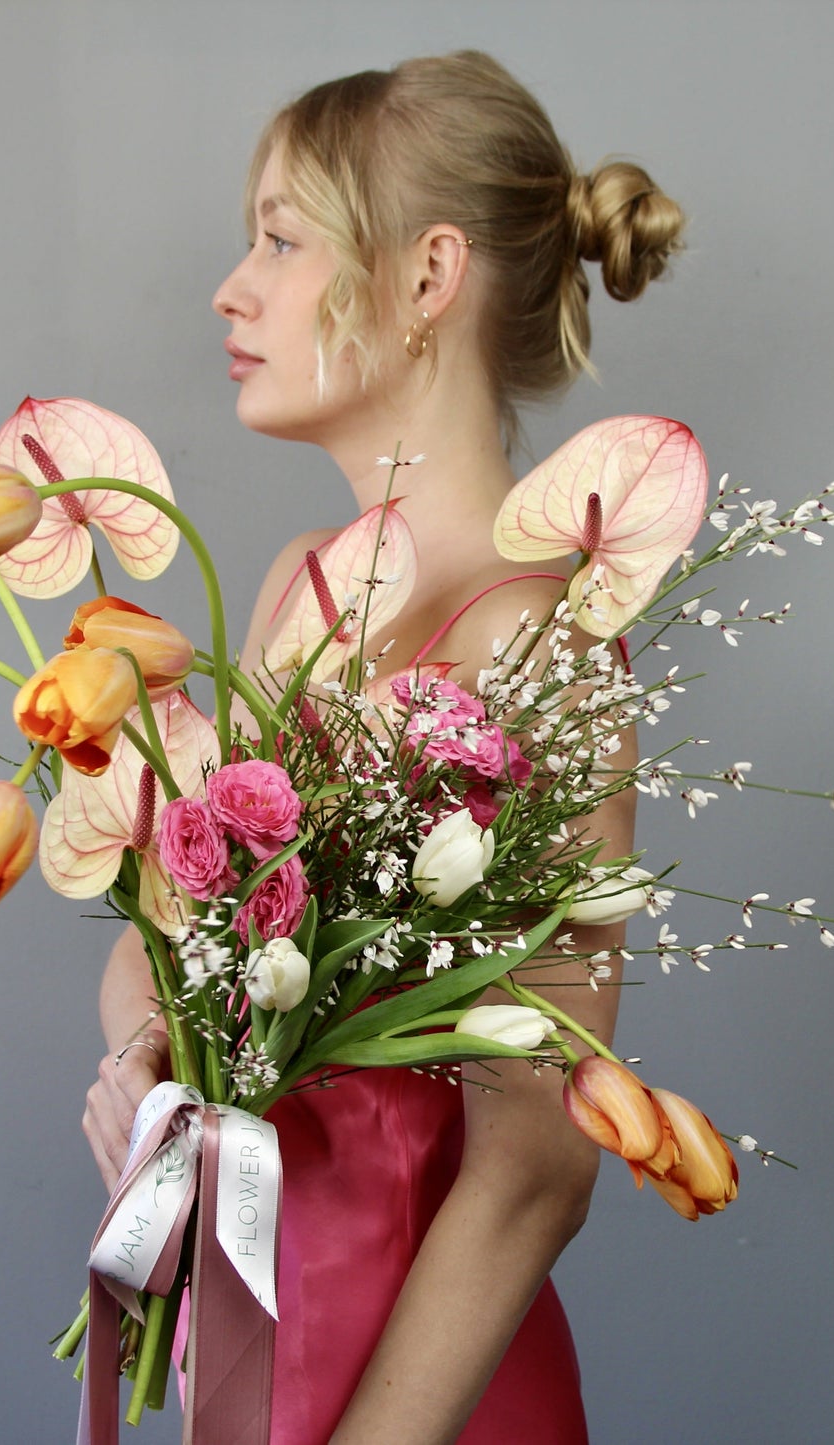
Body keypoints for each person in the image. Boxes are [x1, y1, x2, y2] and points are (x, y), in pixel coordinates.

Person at [83, 50, 685, 1444]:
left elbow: (535, 1166)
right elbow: (158, 927)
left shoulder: (545, 640)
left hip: (422, 1397)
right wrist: (153, 1084)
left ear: (425, 278)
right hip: (254, 1328)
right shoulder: (303, 578)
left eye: (282, 240)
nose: (233, 290)